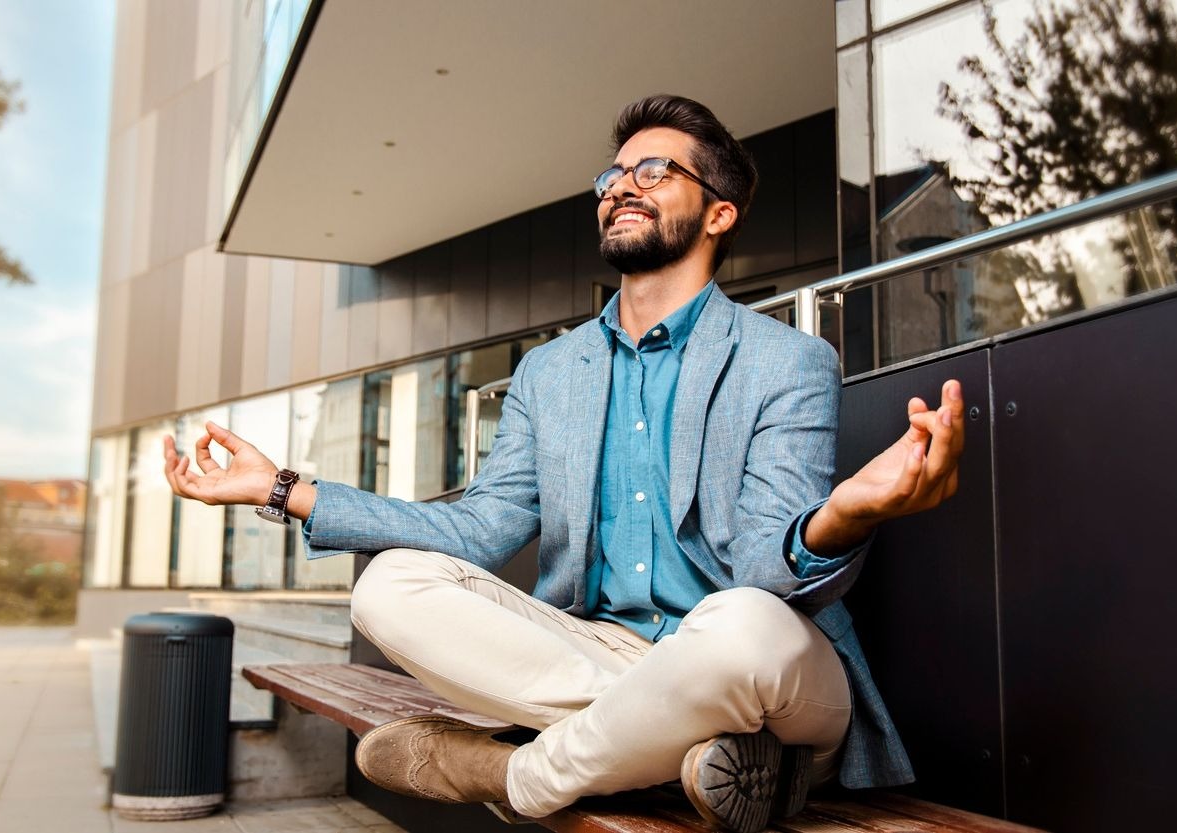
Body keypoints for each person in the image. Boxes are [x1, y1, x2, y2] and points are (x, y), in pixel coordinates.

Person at [164, 94, 964, 833]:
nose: (622, 185)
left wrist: (847, 513)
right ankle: (676, 752)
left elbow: (763, 568)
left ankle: (518, 773)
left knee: (741, 622)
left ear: (721, 213)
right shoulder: (550, 373)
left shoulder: (787, 361)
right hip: (598, 649)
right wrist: (283, 488)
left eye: (655, 170)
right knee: (389, 585)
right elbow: (479, 528)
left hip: (763, 667)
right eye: (613, 174)